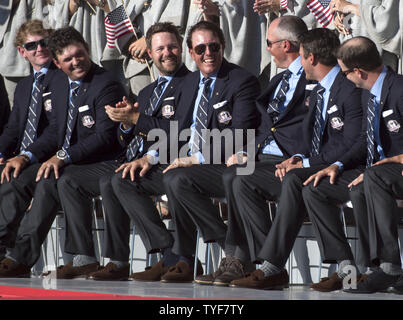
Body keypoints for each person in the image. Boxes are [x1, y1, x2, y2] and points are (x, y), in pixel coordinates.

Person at [54, 22, 190, 281]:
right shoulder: (149, 91)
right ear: (149, 53)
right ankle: (116, 261)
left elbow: (181, 131)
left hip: (174, 161)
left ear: (181, 48)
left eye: (172, 46)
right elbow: (127, 136)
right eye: (160, 48)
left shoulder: (192, 82)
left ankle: (166, 254)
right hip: (138, 160)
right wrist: (127, 124)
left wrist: (139, 125)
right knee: (79, 179)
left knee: (116, 178)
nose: (167, 53)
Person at [229, 28, 363, 290]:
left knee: (298, 182)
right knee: (243, 179)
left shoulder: (348, 89)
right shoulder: (320, 90)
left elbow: (352, 143)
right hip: (313, 163)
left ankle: (272, 267)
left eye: (301, 57)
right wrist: (298, 158)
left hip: (346, 167)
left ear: (311, 58)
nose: (299, 63)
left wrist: (307, 163)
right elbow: (315, 139)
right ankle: (266, 264)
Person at [193, 15, 311, 287]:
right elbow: (264, 126)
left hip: (287, 160)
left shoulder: (311, 80)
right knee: (231, 173)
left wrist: (300, 159)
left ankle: (261, 264)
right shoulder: (278, 80)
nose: (267, 49)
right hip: (260, 156)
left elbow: (309, 128)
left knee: (239, 177)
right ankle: (243, 257)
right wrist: (247, 151)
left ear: (286, 45)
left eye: (269, 43)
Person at [0, 26, 126, 278]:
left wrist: (62, 157)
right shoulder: (58, 83)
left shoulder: (106, 84)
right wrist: (26, 156)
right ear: (57, 63)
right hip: (66, 160)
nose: (76, 62)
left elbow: (104, 137)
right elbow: (55, 129)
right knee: (15, 177)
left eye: (79, 54)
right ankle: (5, 251)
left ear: (88, 51)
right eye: (67, 59)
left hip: (98, 161)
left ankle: (20, 258)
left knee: (48, 181)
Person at [147, 20, 261, 284]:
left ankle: (234, 253)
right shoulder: (189, 84)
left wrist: (194, 158)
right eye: (200, 49)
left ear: (223, 46)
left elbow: (240, 133)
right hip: (200, 164)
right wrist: (151, 156)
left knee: (179, 177)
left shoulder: (241, 81)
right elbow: (176, 129)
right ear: (191, 52)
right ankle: (228, 247)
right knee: (171, 176)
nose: (208, 53)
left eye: (213, 46)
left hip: (233, 162)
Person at [305, 36, 403, 293]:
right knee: (315, 188)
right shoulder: (367, 94)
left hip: (392, 171)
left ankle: (387, 266)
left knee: (367, 183)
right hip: (374, 171)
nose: (344, 78)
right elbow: (363, 139)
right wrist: (337, 164)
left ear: (358, 71)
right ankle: (348, 269)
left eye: (345, 73)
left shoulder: (399, 89)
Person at [0, 19, 58, 262]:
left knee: (13, 180)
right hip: (22, 157)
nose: (40, 48)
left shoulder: (63, 78)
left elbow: (57, 129)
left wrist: (25, 156)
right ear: (22, 52)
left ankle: (6, 252)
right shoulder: (24, 86)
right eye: (32, 45)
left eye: (44, 42)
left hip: (47, 157)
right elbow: (13, 128)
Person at [330, 0, 403, 72]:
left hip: (378, 62)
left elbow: (389, 21)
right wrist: (338, 17)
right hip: (349, 56)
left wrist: (351, 7)